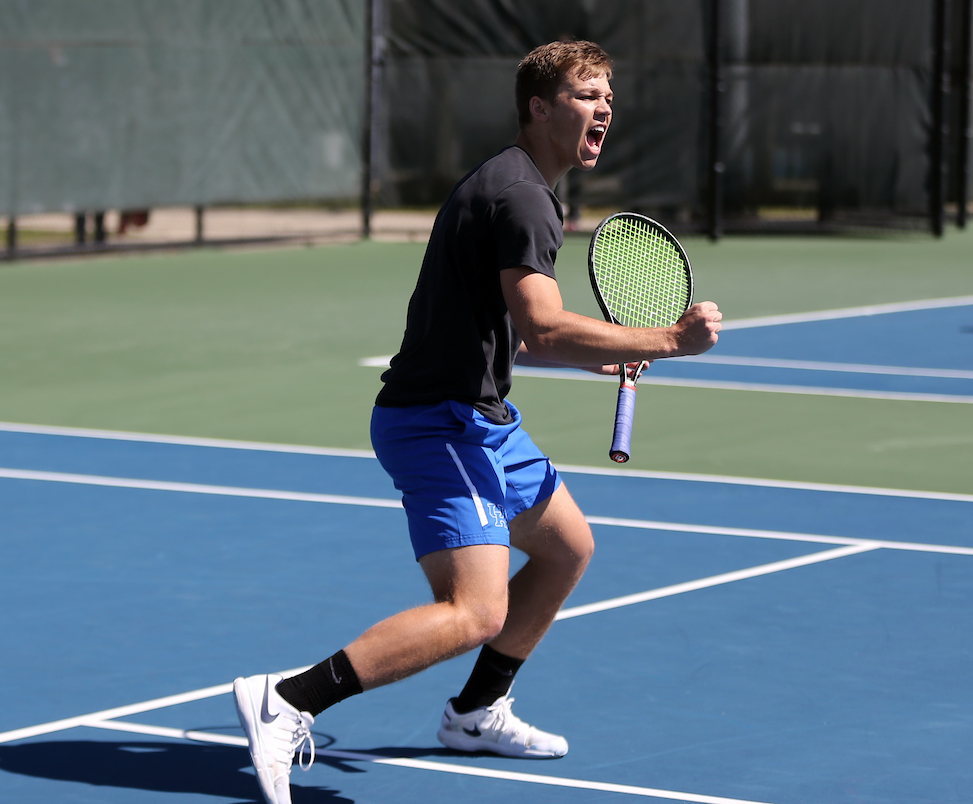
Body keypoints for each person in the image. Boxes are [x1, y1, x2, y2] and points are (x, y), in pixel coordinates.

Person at [233, 40, 721, 804]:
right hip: (438, 423)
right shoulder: (523, 197)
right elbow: (544, 329)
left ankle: (475, 711)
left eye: (608, 97)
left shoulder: (515, 183)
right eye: (587, 95)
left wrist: (606, 353)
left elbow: (514, 331)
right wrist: (666, 340)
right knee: (475, 610)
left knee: (566, 549)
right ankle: (288, 700)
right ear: (540, 107)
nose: (604, 108)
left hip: (482, 420)